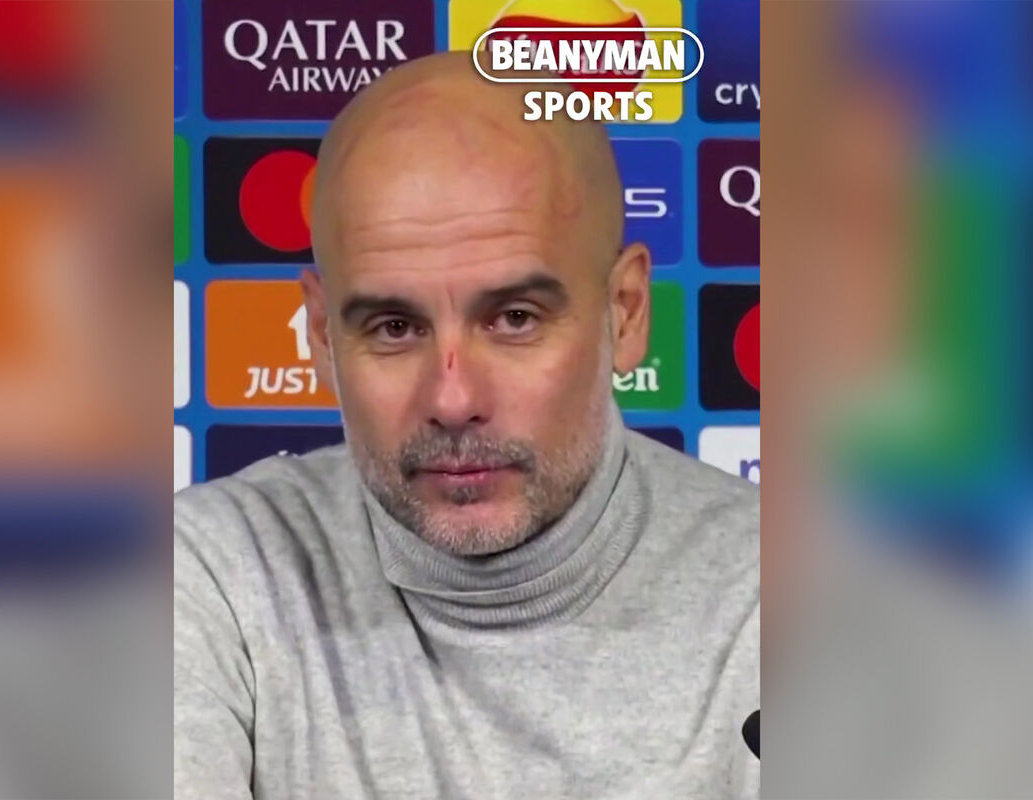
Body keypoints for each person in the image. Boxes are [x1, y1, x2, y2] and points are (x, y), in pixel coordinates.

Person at [175, 52, 759, 799]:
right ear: (321, 336)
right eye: (393, 327)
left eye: (514, 318)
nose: (453, 400)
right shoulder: (211, 577)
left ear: (626, 311)